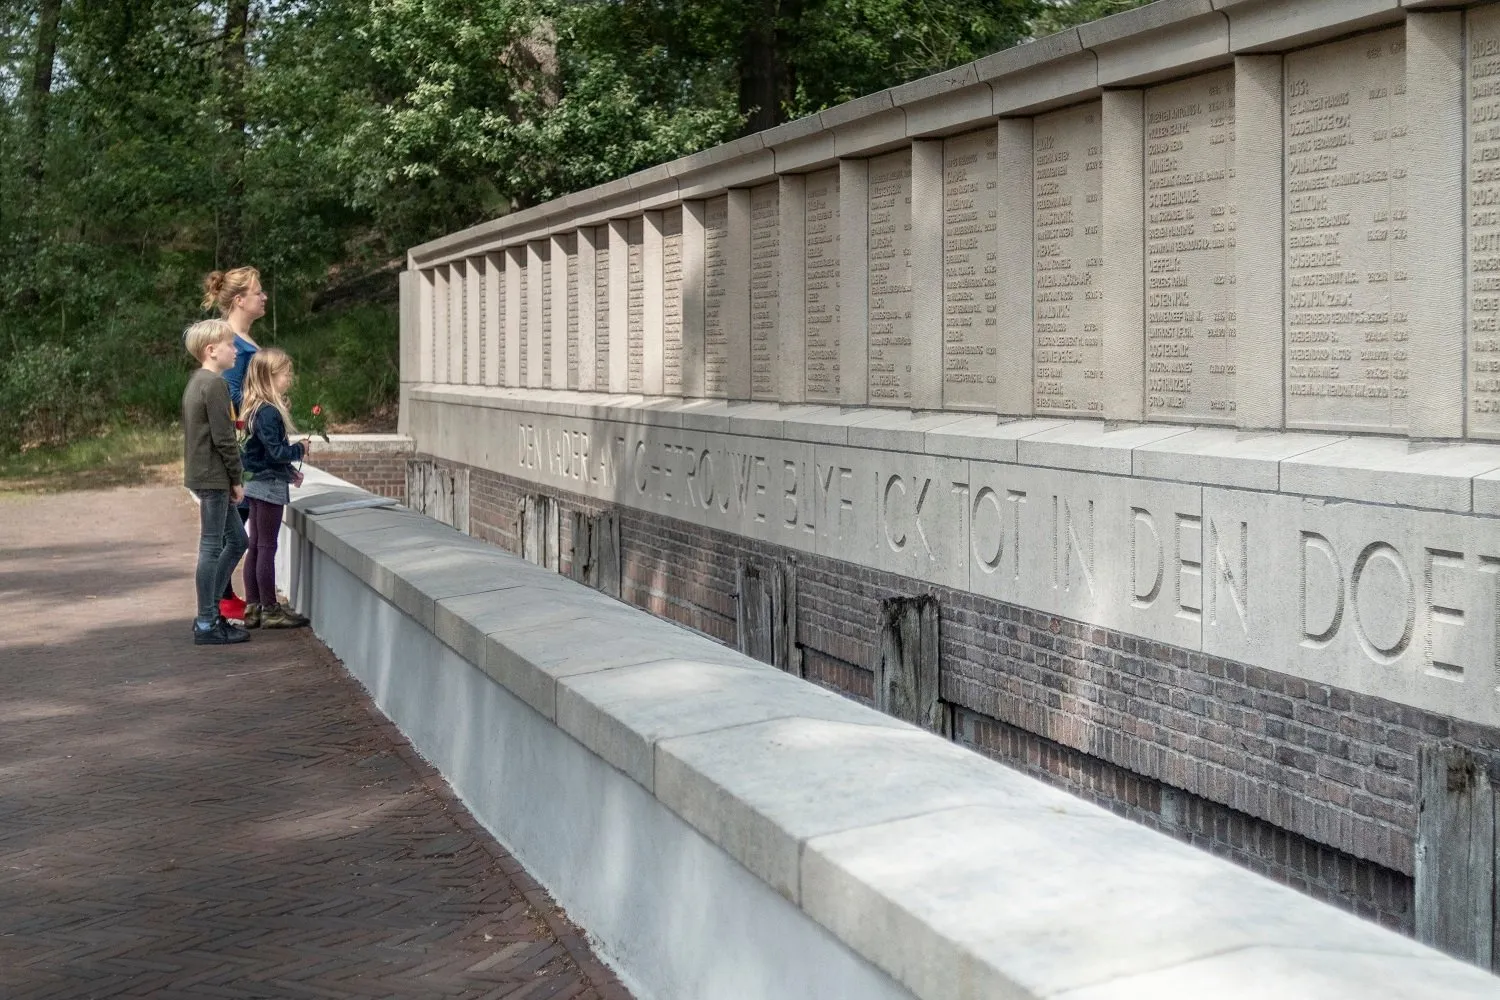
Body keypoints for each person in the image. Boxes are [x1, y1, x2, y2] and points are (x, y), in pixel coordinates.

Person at [200, 267, 267, 622]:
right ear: (239, 300)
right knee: (234, 525)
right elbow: (230, 394)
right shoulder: (233, 346)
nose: (264, 297)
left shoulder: (243, 341)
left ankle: (223, 597)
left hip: (250, 445)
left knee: (237, 524)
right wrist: (264, 406)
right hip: (241, 449)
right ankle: (219, 601)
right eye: (258, 292)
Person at [181, 320, 251, 645]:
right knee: (211, 545)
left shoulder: (198, 381)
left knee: (238, 541)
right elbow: (224, 439)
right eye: (229, 345)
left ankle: (211, 612)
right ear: (211, 350)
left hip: (205, 475)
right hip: (214, 477)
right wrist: (237, 479)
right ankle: (207, 622)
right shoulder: (214, 385)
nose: (235, 350)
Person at [238, 347, 311, 629]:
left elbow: (259, 453)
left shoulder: (253, 409)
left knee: (255, 545)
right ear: (270, 377)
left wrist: (290, 471)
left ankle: (253, 606)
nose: (289, 378)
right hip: (268, 486)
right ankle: (270, 607)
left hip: (255, 481)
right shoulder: (269, 412)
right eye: (285, 374)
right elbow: (277, 452)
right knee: (267, 545)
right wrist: (299, 450)